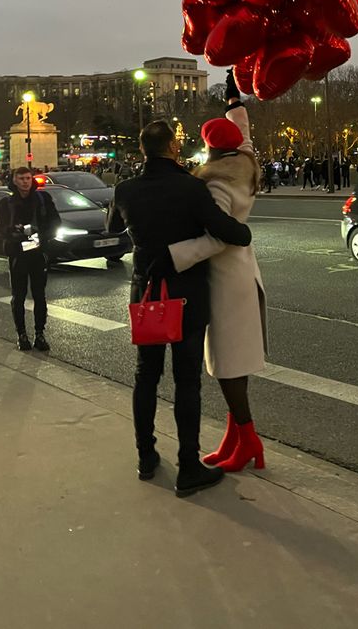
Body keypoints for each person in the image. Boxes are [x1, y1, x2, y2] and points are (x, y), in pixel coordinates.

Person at [106, 119, 252, 496]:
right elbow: (230, 231)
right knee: (187, 382)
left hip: (147, 294)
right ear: (173, 147)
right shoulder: (191, 188)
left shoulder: (125, 190)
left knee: (146, 377)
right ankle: (189, 464)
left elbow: (113, 228)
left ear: (142, 151)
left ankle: (146, 456)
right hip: (186, 294)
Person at [167, 71, 267, 474]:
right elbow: (242, 132)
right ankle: (236, 437)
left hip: (225, 279)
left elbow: (220, 238)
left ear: (208, 148)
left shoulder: (215, 185)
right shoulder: (244, 161)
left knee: (227, 366)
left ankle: (248, 439)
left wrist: (177, 254)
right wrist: (234, 97)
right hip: (244, 273)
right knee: (232, 364)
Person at [0, 166, 61, 352]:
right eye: (21, 178)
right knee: (19, 296)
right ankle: (21, 335)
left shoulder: (43, 199)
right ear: (14, 180)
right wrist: (18, 235)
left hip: (38, 252)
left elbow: (55, 222)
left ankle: (40, 334)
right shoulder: (5, 203)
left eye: (28, 178)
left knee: (40, 296)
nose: (25, 181)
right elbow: (1, 229)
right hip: (17, 253)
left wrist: (40, 236)